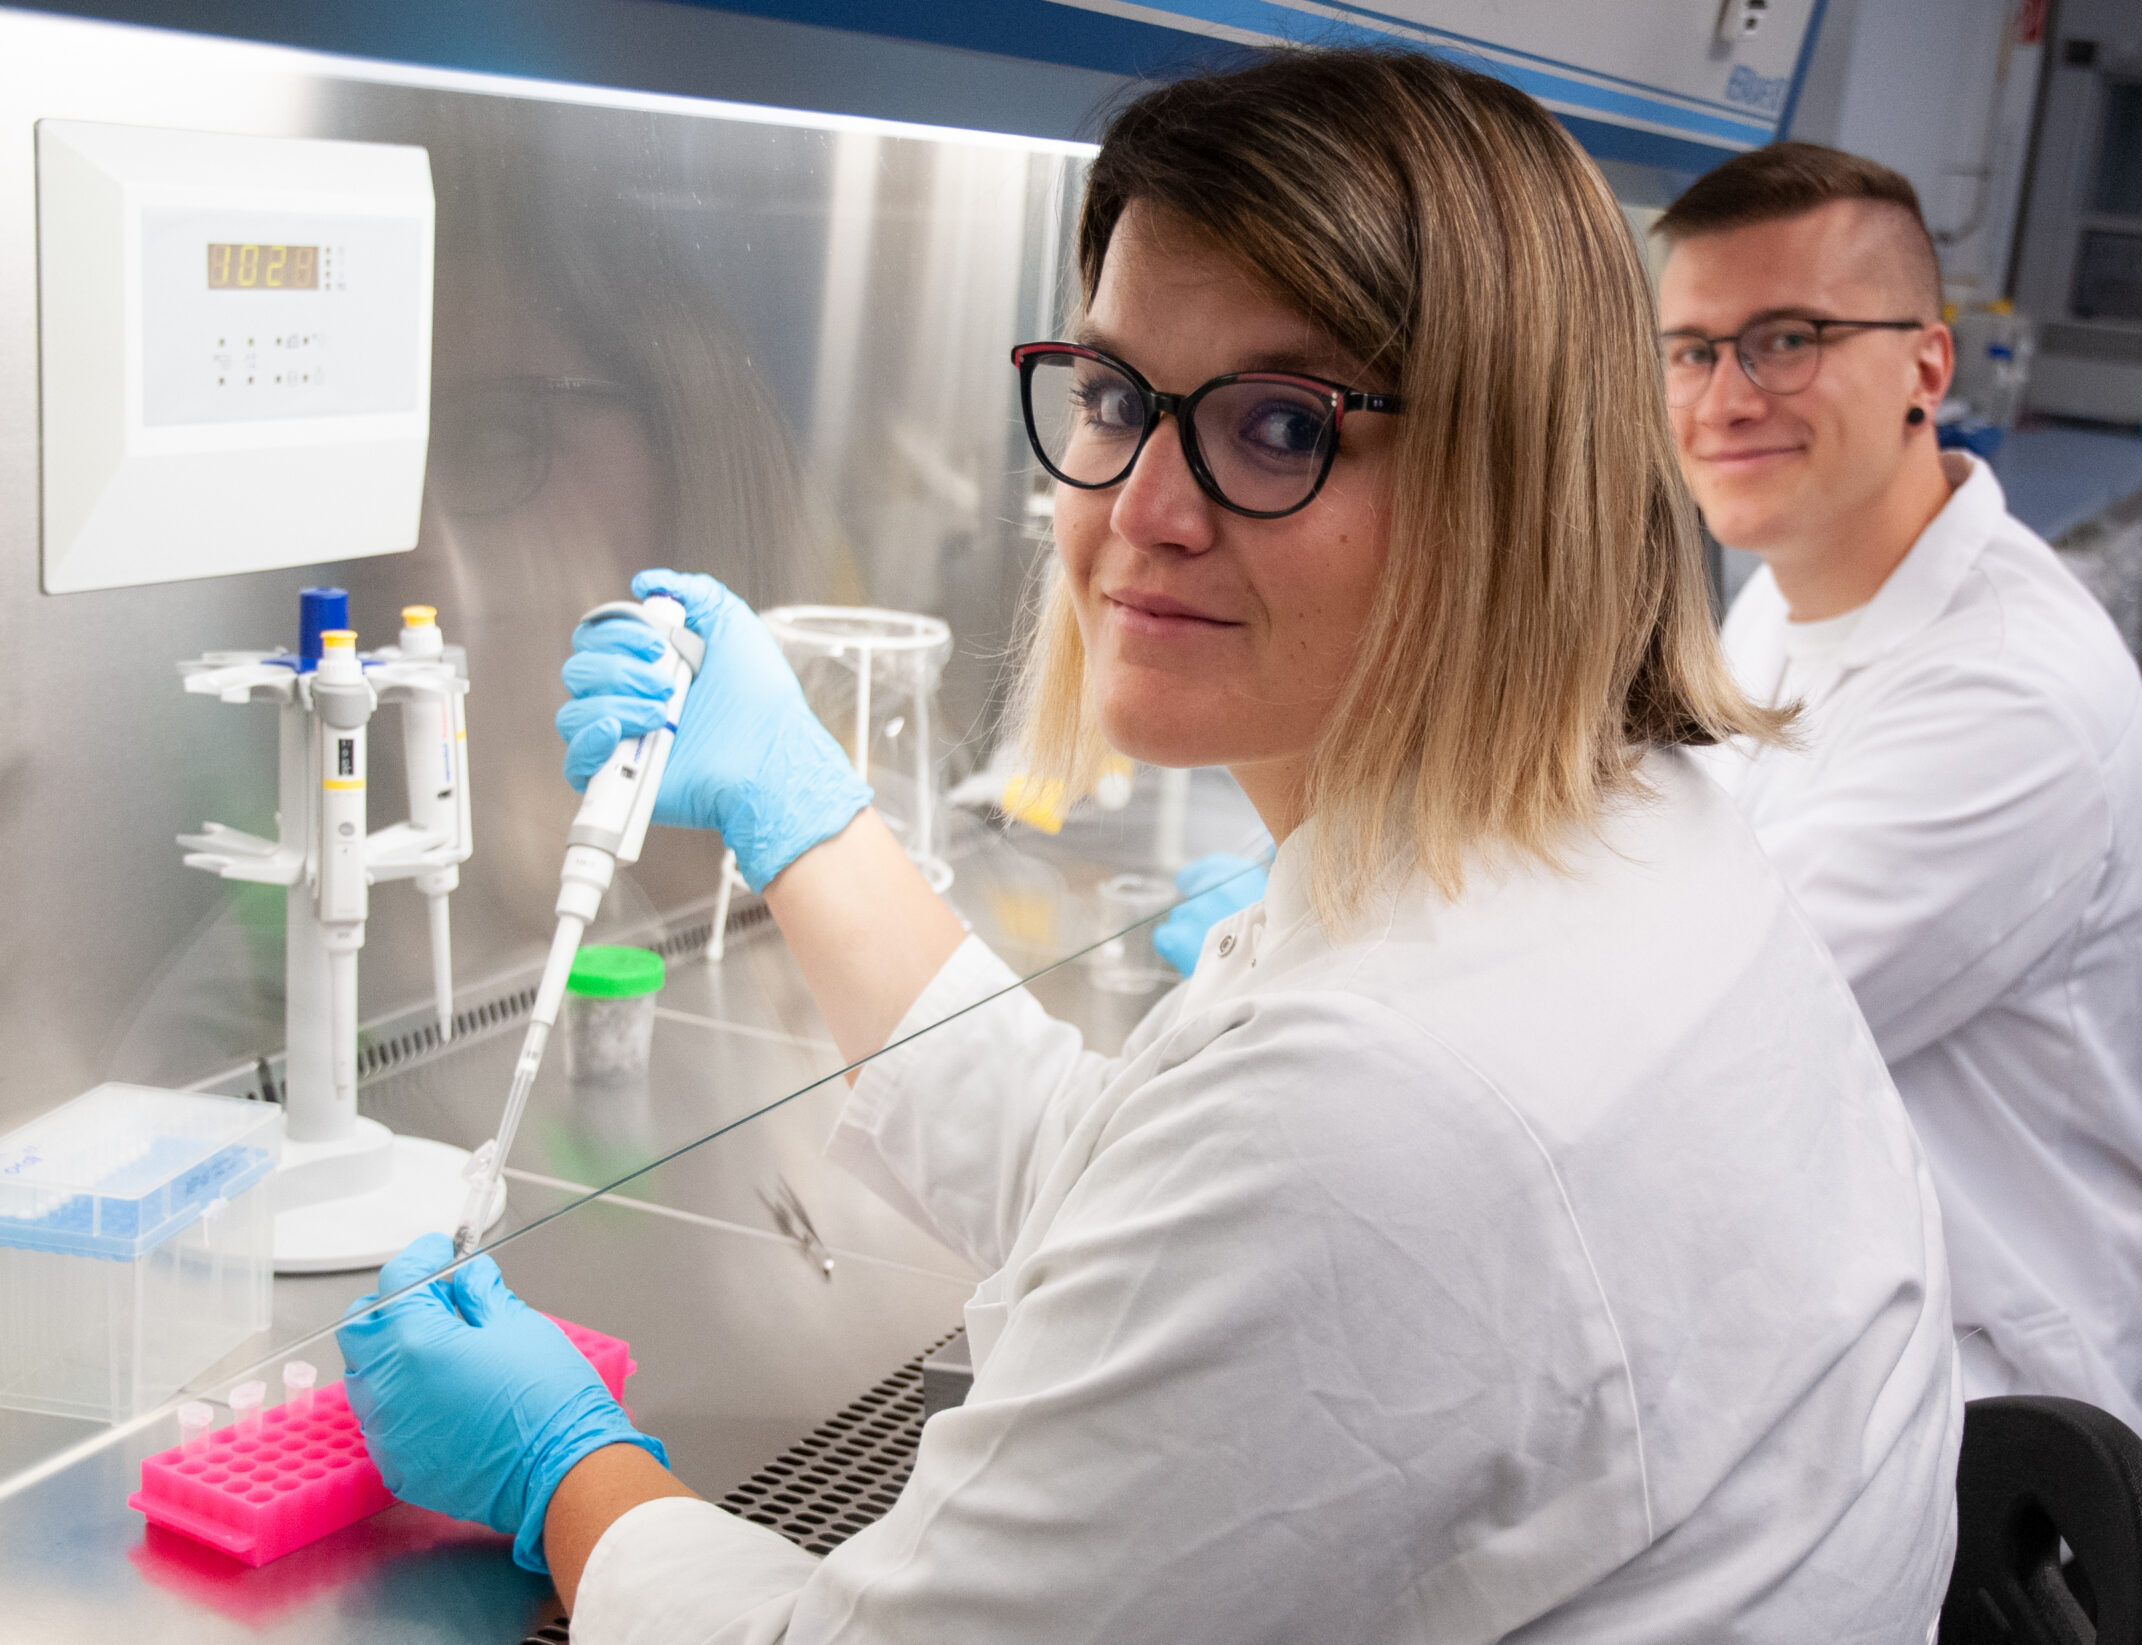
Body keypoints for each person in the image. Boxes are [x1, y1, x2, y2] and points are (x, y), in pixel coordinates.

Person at [337, 52, 1960, 1643]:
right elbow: (1136, 1180)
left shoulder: (1382, 1103)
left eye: (1275, 426)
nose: (1144, 506)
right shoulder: (1621, 833)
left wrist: (572, 1473)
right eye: (1117, 398)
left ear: (1508, 476)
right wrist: (806, 816)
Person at [1654, 142, 2142, 1446]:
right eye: (1690, 349)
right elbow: (1683, 858)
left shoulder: (2009, 699)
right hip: (1826, 1259)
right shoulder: (1792, 586)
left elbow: (1691, 1035)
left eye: (1786, 339)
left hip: (1981, 1403)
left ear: (1926, 368)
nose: (1724, 395)